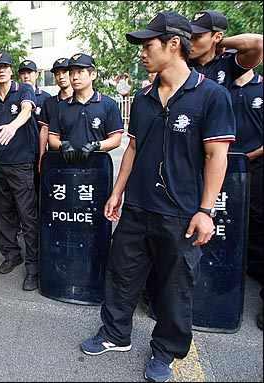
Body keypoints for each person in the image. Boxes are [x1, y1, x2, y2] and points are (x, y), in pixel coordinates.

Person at [80, 12, 236, 383]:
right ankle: (115, 334)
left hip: (181, 214)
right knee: (121, 275)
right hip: (136, 208)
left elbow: (217, 156)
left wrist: (205, 211)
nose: (142, 53)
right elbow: (133, 148)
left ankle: (166, 351)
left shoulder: (210, 95)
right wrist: (118, 192)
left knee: (174, 286)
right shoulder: (144, 97)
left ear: (173, 44)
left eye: (148, 45)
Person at [0, 51, 40, 291]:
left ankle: (34, 267)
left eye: (5, 66)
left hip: (21, 165)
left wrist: (14, 126)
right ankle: (11, 254)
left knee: (27, 215)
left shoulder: (24, 89)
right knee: (2, 213)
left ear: (11, 69)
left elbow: (26, 111)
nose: (2, 70)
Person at [229, 69, 263, 330]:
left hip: (255, 165)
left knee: (256, 218)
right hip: (224, 167)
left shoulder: (260, 88)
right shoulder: (221, 87)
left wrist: (249, 156)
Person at [46, 53, 123, 160]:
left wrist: (97, 145)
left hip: (97, 167)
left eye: (80, 72)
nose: (75, 77)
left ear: (93, 75)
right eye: (71, 73)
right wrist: (62, 145)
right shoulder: (61, 107)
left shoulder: (108, 104)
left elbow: (116, 139)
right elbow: (52, 138)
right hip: (66, 168)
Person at [188, 10, 263, 89]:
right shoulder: (182, 61)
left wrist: (221, 43)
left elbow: (259, 43)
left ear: (217, 37)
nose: (189, 43)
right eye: (189, 36)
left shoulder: (227, 63)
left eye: (197, 37)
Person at [18, 59, 51, 202]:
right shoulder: (15, 96)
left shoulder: (45, 98)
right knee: (23, 192)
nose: (26, 76)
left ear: (36, 74)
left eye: (29, 72)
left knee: (40, 188)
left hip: (39, 151)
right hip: (20, 153)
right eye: (23, 73)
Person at [37, 57, 73, 171]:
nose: (61, 76)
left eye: (64, 72)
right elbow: (44, 130)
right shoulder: (49, 102)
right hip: (55, 158)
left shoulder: (83, 101)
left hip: (81, 157)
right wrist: (42, 157)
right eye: (57, 74)